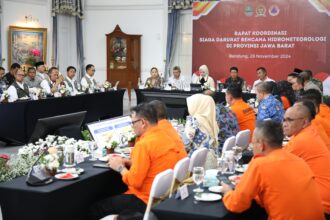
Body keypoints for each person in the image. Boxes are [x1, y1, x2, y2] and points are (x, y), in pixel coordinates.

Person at [88, 103, 184, 220]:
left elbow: (135, 182)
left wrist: (119, 167)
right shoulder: (165, 135)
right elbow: (155, 163)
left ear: (143, 123)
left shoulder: (144, 144)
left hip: (142, 200)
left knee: (94, 209)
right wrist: (131, 163)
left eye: (133, 123)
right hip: (160, 197)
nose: (132, 126)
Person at [221, 121, 325, 220]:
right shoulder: (300, 161)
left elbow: (236, 205)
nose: (253, 148)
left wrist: (227, 192)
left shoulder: (260, 164)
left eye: (253, 144)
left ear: (261, 145)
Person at [283, 101, 330, 215]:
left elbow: (273, 165)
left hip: (320, 205)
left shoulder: (302, 140)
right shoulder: (309, 132)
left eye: (290, 120)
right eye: (284, 119)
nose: (284, 124)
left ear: (304, 122)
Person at [182, 93, 219, 168]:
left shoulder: (193, 120)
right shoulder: (211, 121)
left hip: (195, 164)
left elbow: (185, 144)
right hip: (212, 160)